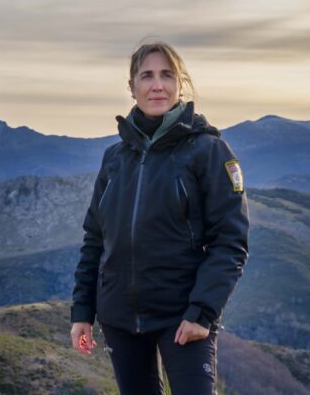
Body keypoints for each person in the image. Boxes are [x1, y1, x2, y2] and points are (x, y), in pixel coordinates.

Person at [69, 40, 249, 395]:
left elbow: (230, 241)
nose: (157, 85)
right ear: (132, 87)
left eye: (167, 75)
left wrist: (202, 311)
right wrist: (82, 312)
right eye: (147, 76)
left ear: (180, 83)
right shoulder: (115, 158)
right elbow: (95, 240)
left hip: (182, 317)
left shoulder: (208, 151)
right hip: (119, 318)